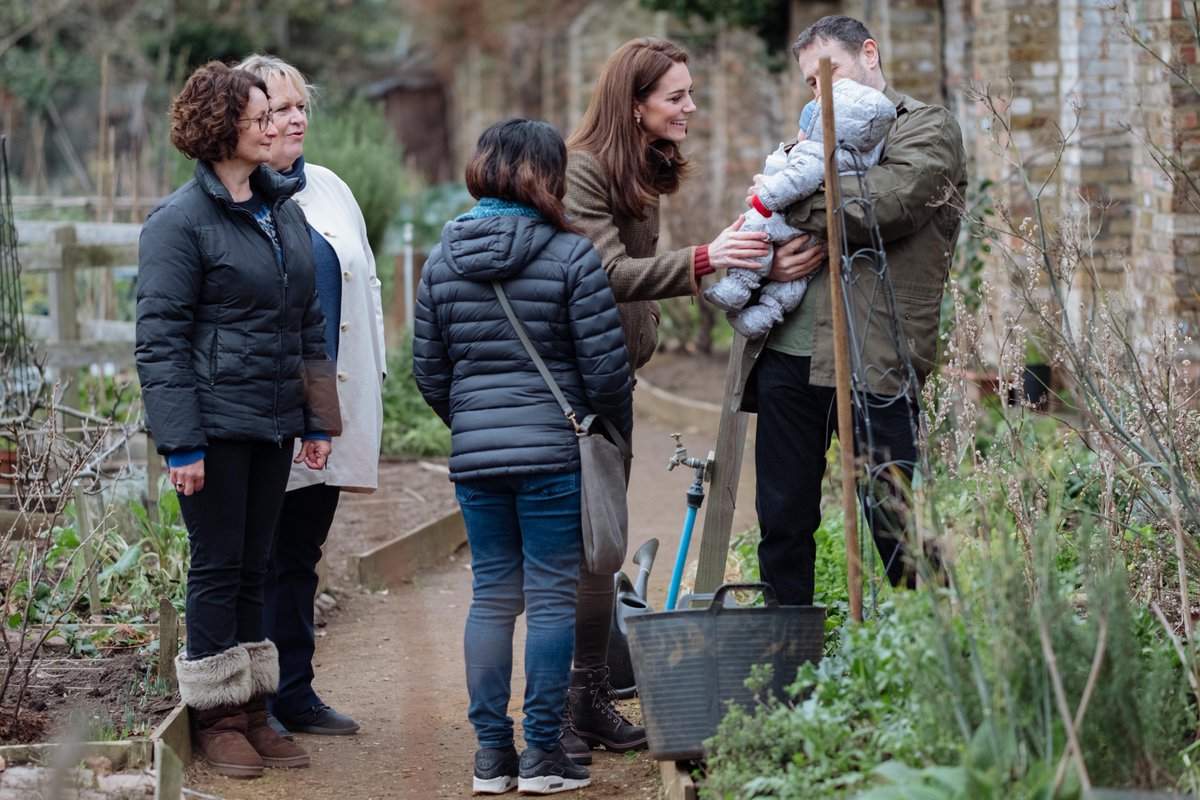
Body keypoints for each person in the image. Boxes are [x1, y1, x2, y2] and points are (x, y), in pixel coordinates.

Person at [561, 35, 783, 763]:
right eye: (677, 95)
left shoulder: (638, 165)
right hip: (577, 388)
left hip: (612, 377)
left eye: (690, 92)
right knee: (587, 549)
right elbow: (601, 271)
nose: (691, 106)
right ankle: (568, 704)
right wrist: (706, 258)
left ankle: (585, 698)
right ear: (634, 103)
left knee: (601, 548)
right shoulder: (583, 168)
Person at [413, 118, 634, 795]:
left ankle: (490, 759)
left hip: (477, 461)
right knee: (548, 601)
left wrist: (473, 424)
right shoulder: (571, 255)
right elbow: (606, 373)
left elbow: (429, 371)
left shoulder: (441, 257)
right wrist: (595, 430)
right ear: (549, 175)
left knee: (490, 600)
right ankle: (541, 756)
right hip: (552, 458)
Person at [136, 61, 340, 778]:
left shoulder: (282, 209)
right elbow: (159, 342)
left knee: (258, 565)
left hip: (275, 422)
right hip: (214, 429)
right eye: (258, 117)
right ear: (223, 129)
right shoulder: (178, 223)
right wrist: (181, 440)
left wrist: (318, 422)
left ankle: (256, 709)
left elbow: (307, 321)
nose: (273, 125)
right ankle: (216, 716)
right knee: (219, 568)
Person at [751, 15, 968, 606]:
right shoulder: (816, 137)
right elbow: (760, 223)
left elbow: (885, 204)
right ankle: (790, 668)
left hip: (875, 353)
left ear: (868, 54)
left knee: (895, 519)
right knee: (782, 521)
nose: (819, 94)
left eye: (829, 73)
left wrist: (790, 191)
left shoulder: (925, 127)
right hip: (790, 356)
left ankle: (931, 658)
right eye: (810, 86)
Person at [234, 53, 386, 741]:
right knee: (254, 559)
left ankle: (294, 692)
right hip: (263, 408)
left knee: (300, 555)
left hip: (327, 404)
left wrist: (370, 377)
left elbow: (369, 287)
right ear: (246, 119)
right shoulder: (235, 194)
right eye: (278, 108)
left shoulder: (328, 186)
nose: (294, 119)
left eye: (300, 107)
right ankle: (250, 702)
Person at [702, 79, 895, 339]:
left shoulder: (816, 152)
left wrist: (765, 197)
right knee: (795, 282)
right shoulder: (865, 155)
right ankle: (763, 315)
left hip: (790, 224)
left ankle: (736, 286)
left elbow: (795, 181)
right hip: (819, 245)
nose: (799, 135)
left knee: (754, 229)